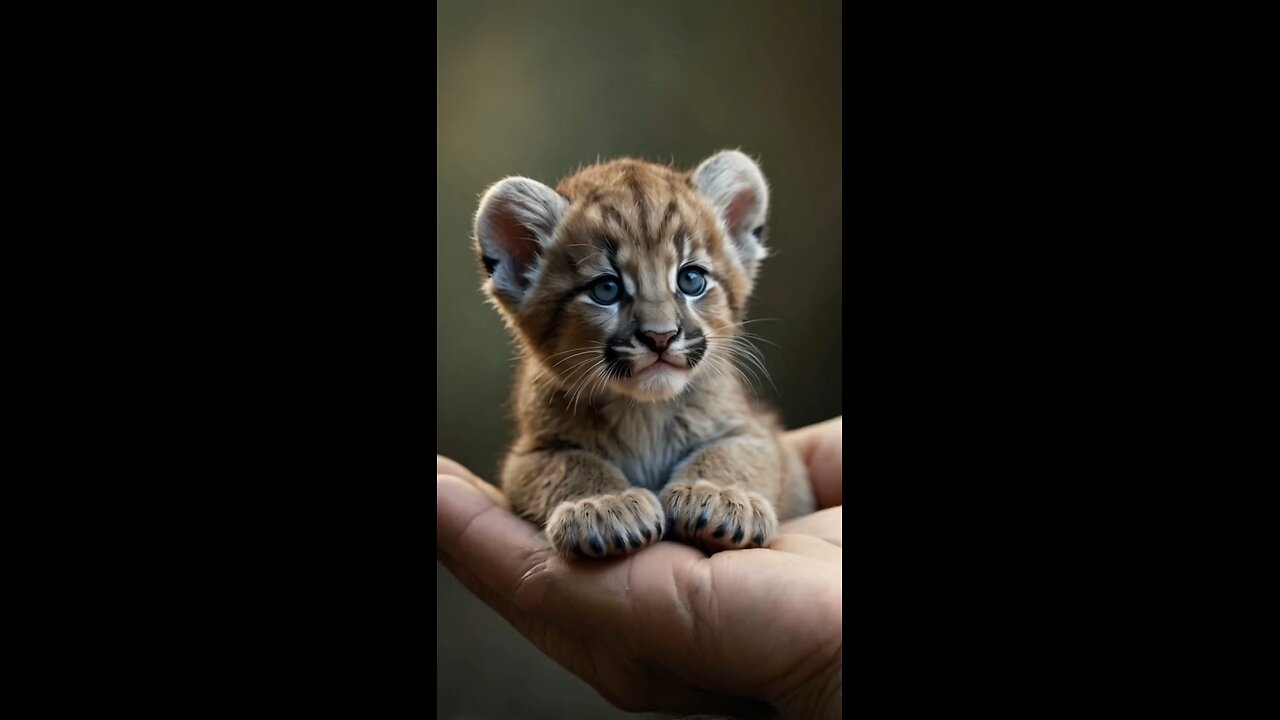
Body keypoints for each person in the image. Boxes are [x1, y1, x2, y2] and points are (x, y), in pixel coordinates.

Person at [437, 417, 842, 719]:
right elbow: (534, 460)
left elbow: (751, 443)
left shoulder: (720, 390)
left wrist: (827, 663)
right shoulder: (554, 398)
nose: (661, 329)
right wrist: (589, 495)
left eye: (692, 294)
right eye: (607, 295)